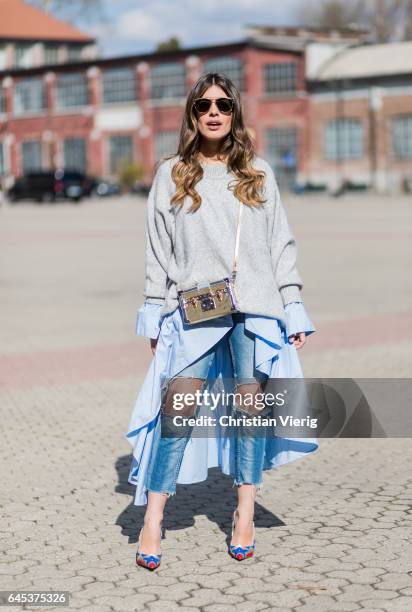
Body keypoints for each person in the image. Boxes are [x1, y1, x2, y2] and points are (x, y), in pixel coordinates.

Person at [126, 72, 318, 570]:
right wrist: (154, 311)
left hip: (253, 311)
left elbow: (280, 244)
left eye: (224, 105)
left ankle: (245, 513)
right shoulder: (172, 173)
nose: (214, 112)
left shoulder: (257, 173)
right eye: (204, 105)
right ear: (192, 114)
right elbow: (158, 250)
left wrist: (292, 304)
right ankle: (153, 520)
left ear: (235, 113)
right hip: (195, 310)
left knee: (248, 416)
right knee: (178, 414)